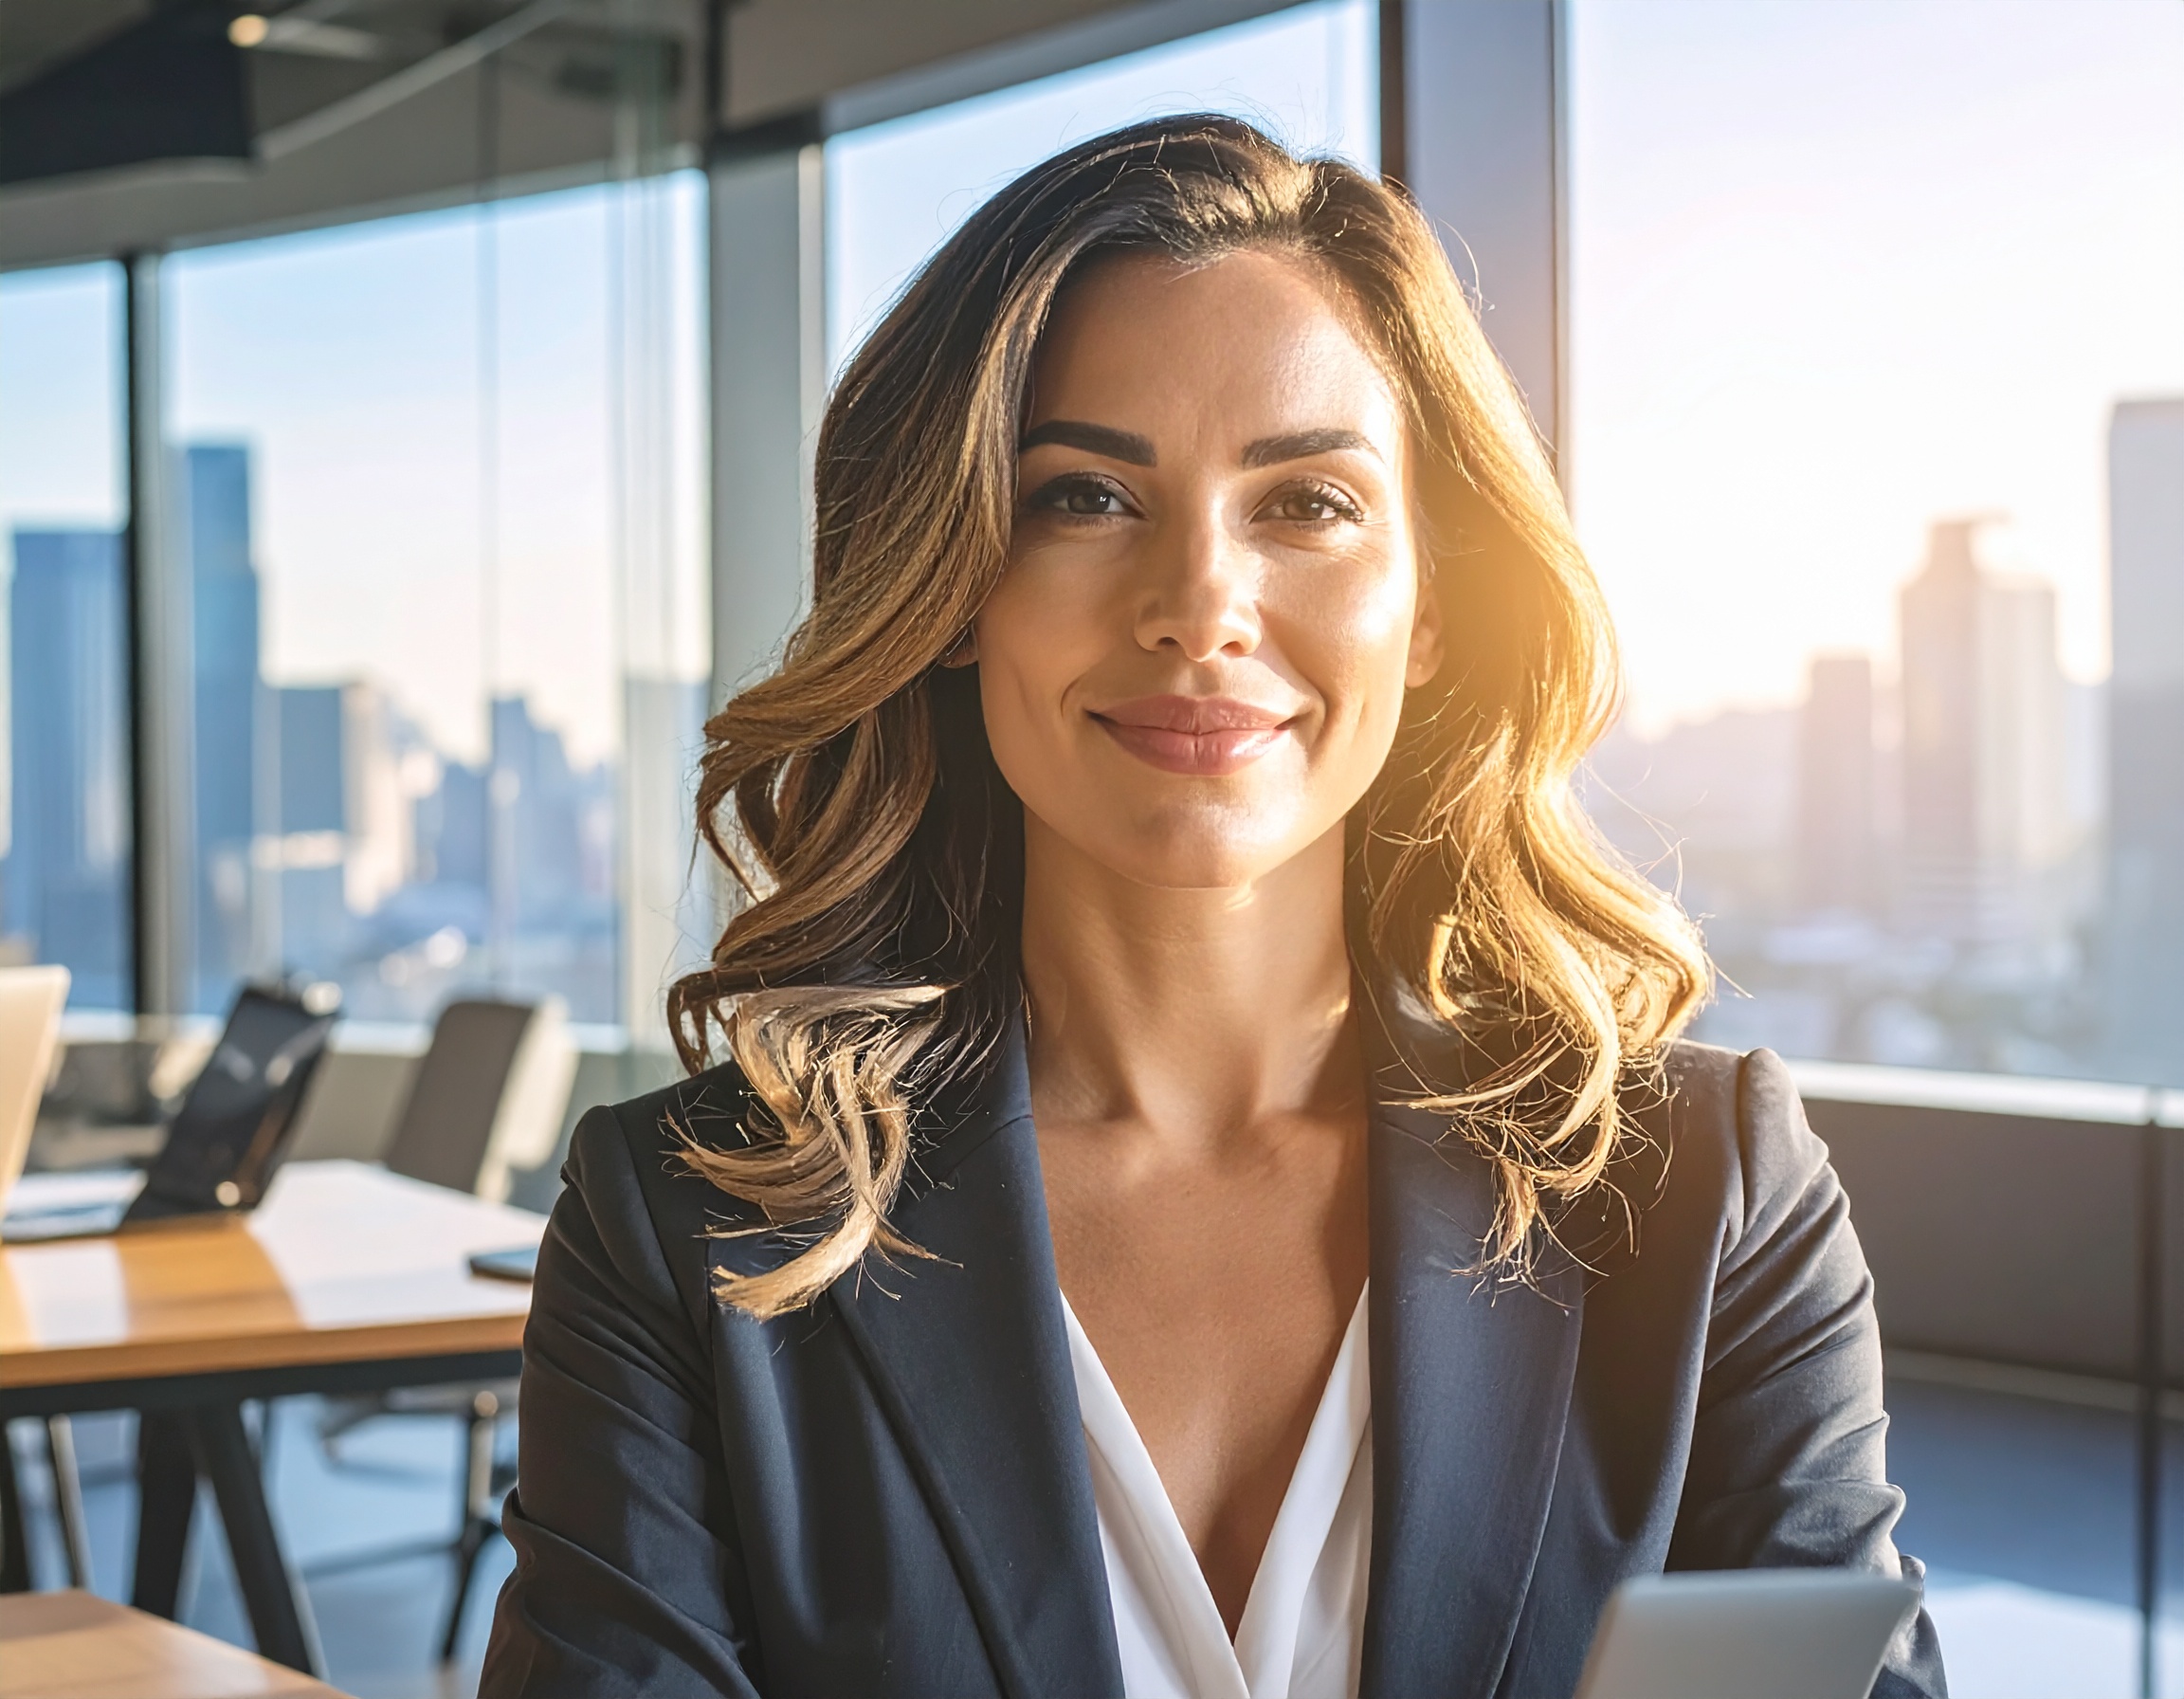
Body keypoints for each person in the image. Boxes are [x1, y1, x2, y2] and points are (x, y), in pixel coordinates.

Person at [481, 117, 1945, 1699]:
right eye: (1083, 499)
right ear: (960, 588)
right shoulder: (686, 1231)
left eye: (1306, 502)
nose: (1198, 605)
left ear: (1433, 606)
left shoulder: (1708, 1198)